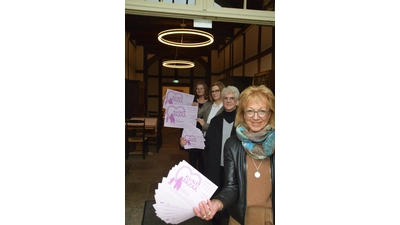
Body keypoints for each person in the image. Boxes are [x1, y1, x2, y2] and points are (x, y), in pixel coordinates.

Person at [193, 85, 275, 225]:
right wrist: (217, 203)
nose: (256, 117)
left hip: (272, 216)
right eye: (250, 111)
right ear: (242, 113)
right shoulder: (233, 144)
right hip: (240, 216)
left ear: (270, 114)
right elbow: (232, 186)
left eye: (262, 111)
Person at [181, 85, 240, 225]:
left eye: (232, 98)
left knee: (233, 199)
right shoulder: (216, 121)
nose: (228, 101)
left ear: (237, 101)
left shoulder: (242, 121)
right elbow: (205, 144)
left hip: (234, 168)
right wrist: (187, 142)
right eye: (226, 98)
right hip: (216, 165)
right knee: (216, 196)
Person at [183, 82, 209, 174]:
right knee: (192, 158)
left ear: (205, 89)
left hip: (204, 132)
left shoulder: (209, 103)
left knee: (203, 159)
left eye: (201, 88)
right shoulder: (192, 101)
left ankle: (202, 180)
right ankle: (192, 178)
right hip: (193, 131)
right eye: (197, 88)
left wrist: (198, 109)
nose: (199, 90)